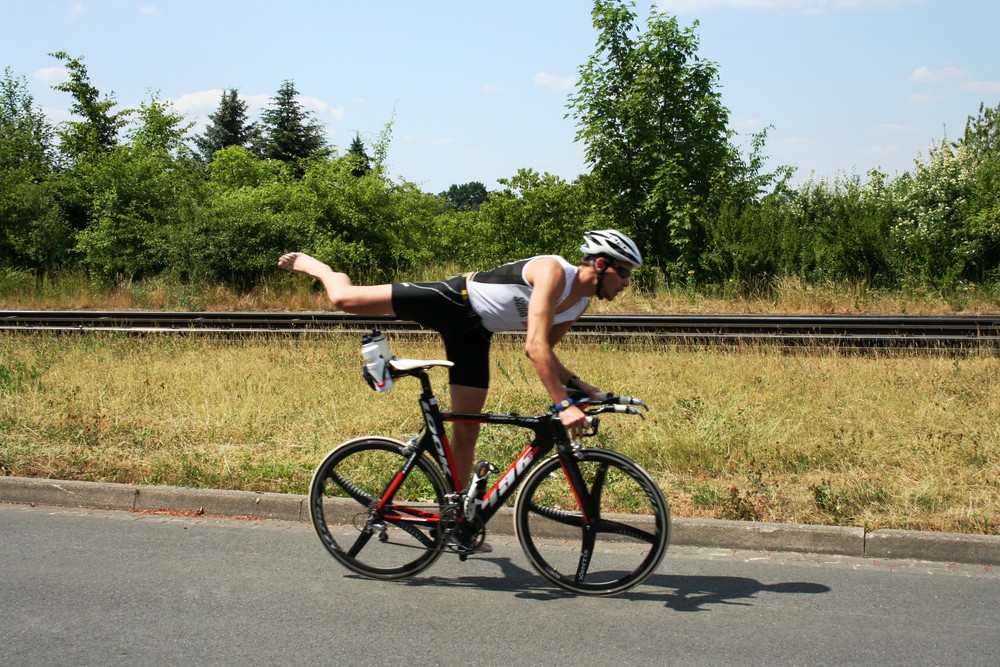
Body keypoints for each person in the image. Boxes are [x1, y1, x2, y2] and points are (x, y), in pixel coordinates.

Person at [277, 229, 642, 491]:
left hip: (475, 334)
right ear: (600, 263)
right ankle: (324, 269)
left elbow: (546, 353)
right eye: (624, 272)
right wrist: (563, 403)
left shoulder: (578, 304)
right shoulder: (552, 271)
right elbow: (535, 346)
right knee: (345, 299)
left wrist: (584, 389)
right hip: (454, 299)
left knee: (467, 428)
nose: (626, 282)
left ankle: (456, 515)